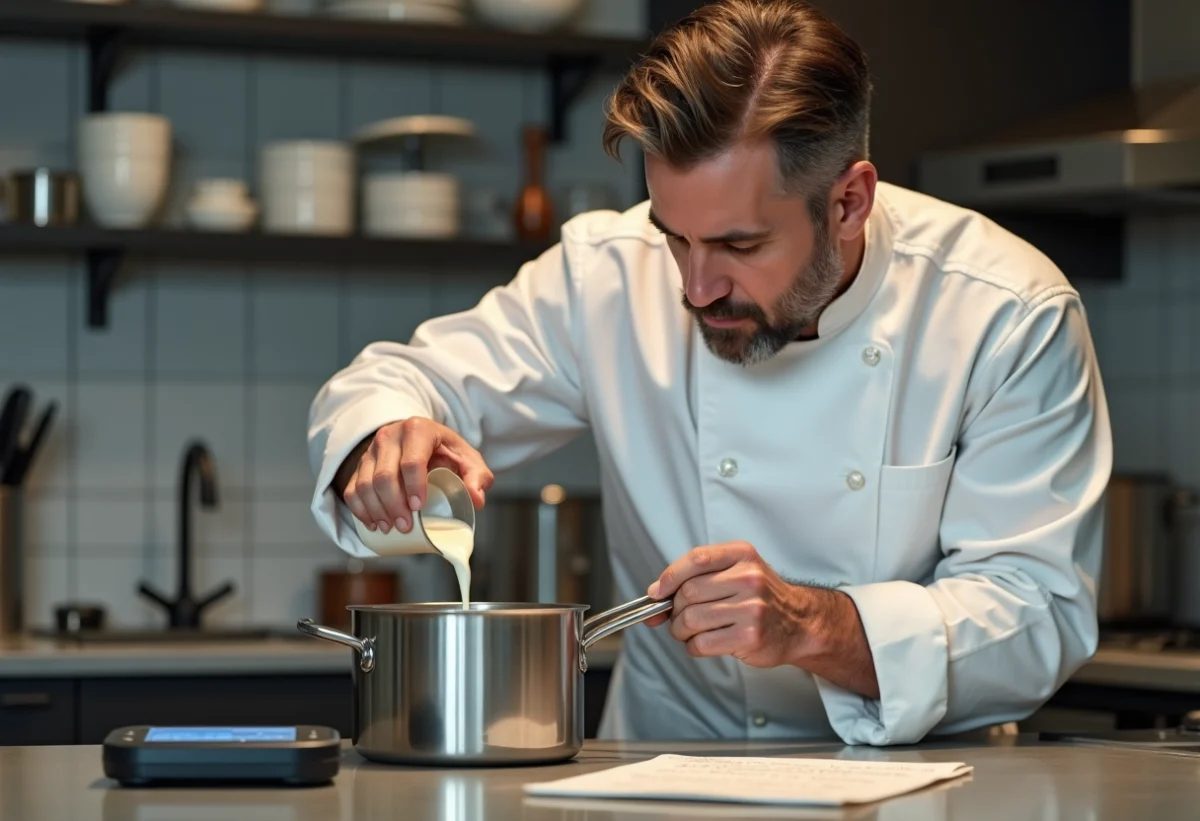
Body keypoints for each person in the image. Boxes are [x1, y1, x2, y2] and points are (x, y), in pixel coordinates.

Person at [307, 0, 1112, 745]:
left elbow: (1037, 611)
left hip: (911, 781)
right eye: (674, 237)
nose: (696, 287)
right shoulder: (607, 274)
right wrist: (385, 434)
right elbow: (407, 377)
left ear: (849, 202)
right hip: (660, 767)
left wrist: (815, 625)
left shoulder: (1005, 311)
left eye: (739, 244)